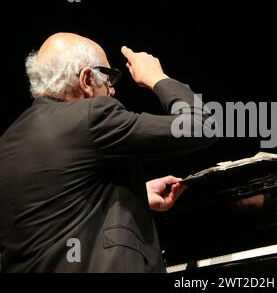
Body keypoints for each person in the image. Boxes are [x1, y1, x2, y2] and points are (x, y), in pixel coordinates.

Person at [0, 32, 217, 272]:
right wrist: (157, 77)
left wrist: (135, 195)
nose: (112, 90)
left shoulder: (7, 141)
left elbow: (54, 208)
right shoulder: (91, 116)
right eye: (108, 77)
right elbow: (201, 126)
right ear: (86, 79)